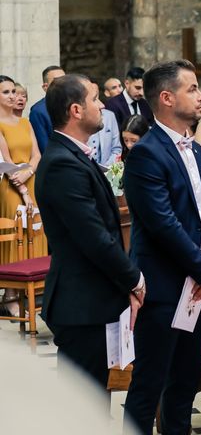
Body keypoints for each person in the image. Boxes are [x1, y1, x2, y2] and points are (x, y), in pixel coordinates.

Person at [122, 60, 201, 434]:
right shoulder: (146, 154)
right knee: (149, 386)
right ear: (166, 98)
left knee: (184, 386)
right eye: (193, 89)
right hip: (166, 288)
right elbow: (162, 223)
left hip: (198, 287)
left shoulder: (195, 150)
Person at [34, 74, 144, 391]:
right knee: (83, 404)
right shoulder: (61, 163)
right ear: (76, 111)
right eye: (95, 99)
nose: (101, 106)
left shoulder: (71, 156)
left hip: (94, 298)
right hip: (80, 302)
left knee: (94, 399)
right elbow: (93, 236)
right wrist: (134, 279)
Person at [0, 75, 46, 316]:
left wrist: (29, 173)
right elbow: (6, 162)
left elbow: (36, 154)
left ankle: (33, 290)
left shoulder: (26, 122)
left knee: (34, 231)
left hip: (30, 179)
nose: (11, 96)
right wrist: (24, 190)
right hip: (11, 185)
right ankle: (9, 293)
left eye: (12, 91)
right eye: (5, 92)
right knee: (15, 232)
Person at [29, 65, 66, 154]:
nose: (64, 83)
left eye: (65, 79)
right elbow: (44, 147)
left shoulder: (73, 104)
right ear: (45, 87)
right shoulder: (38, 111)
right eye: (57, 81)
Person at [88, 83, 121, 166]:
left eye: (97, 96)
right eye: (94, 98)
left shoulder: (110, 116)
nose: (102, 105)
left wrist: (106, 168)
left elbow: (116, 148)